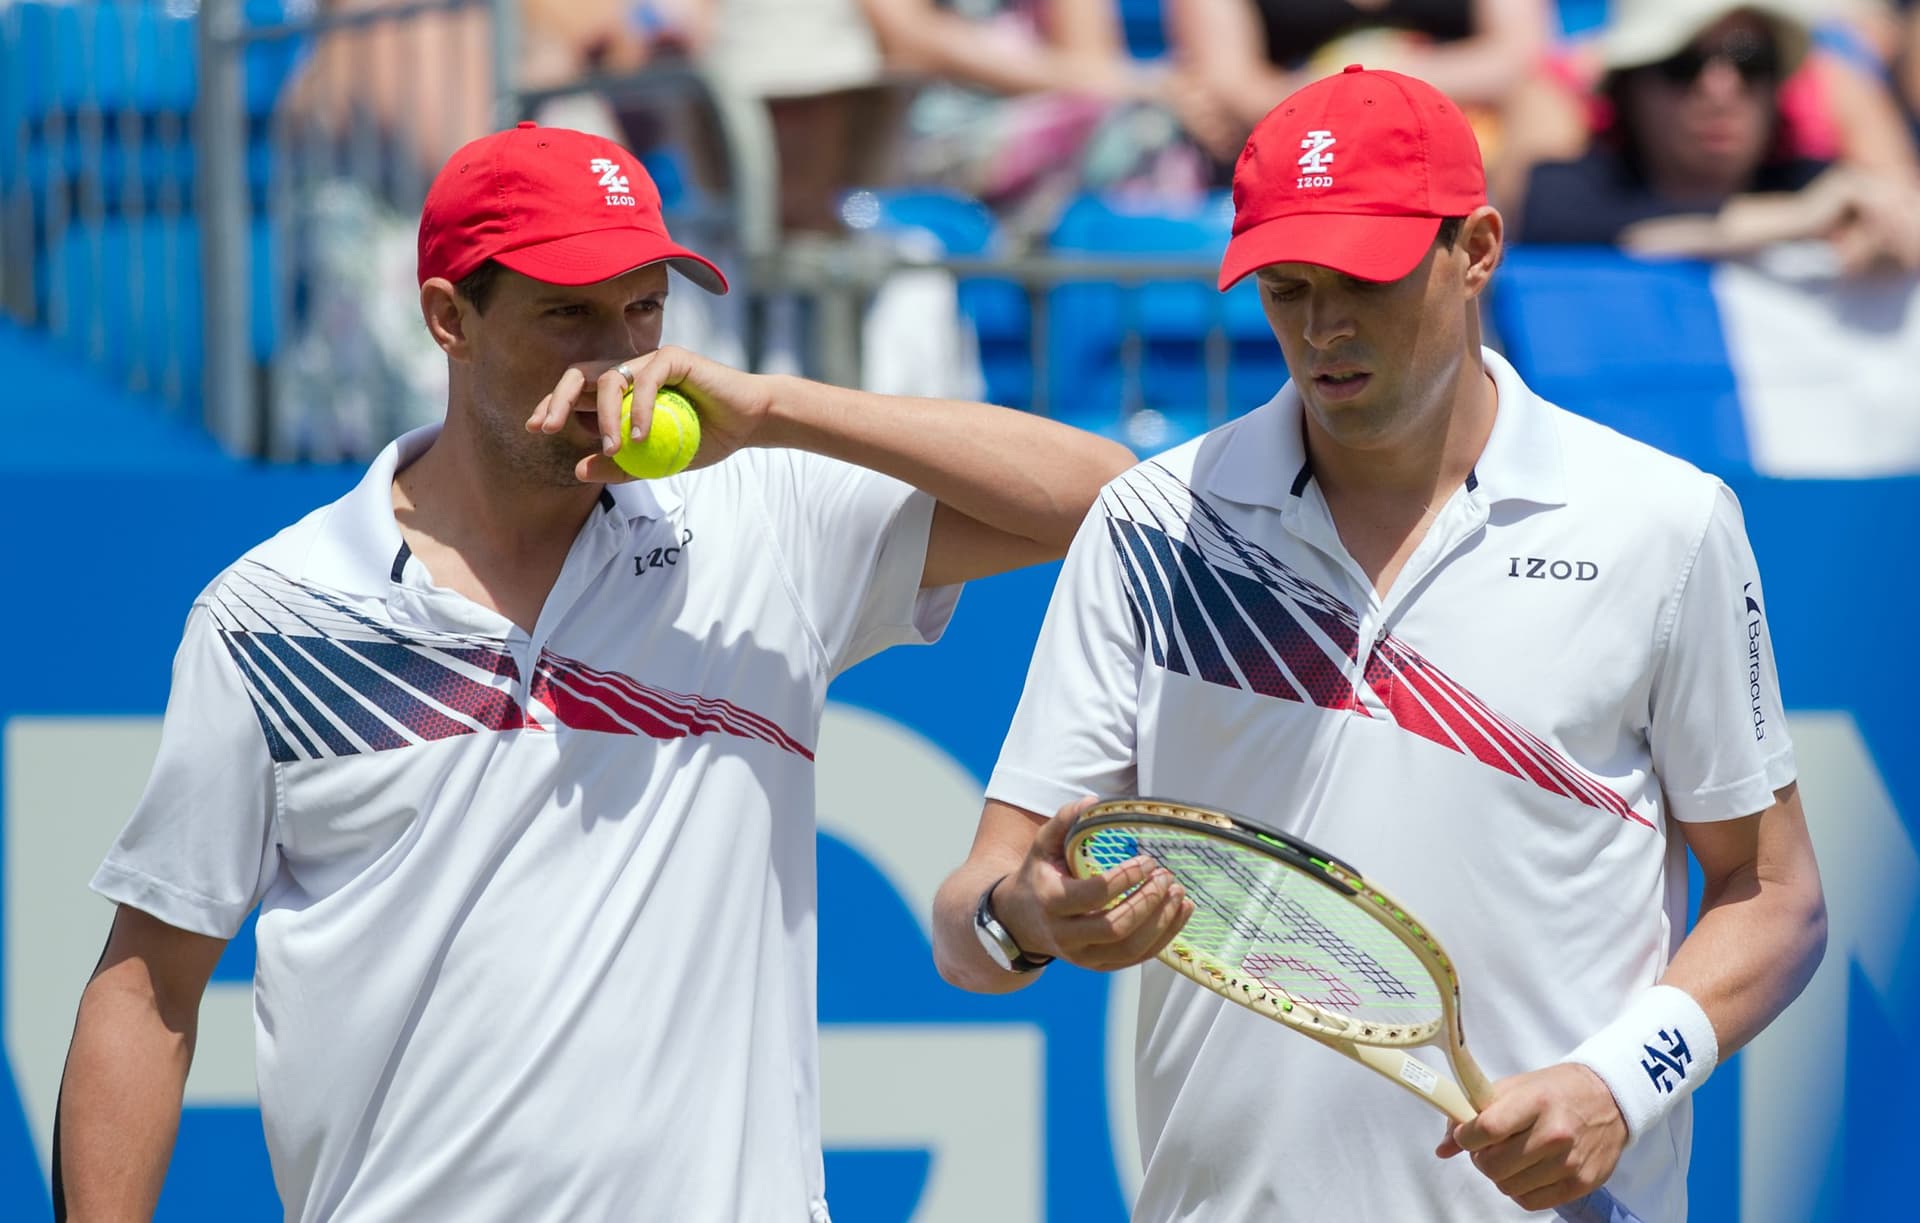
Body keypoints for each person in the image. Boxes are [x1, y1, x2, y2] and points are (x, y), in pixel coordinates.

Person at [54, 122, 1136, 1222]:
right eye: (567, 311)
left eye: (644, 306)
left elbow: (1109, 496)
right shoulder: (273, 612)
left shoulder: (764, 517)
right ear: (447, 317)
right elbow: (148, 986)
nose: (618, 355)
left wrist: (775, 408)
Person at [932, 65, 1827, 1220]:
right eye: (1285, 286)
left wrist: (1620, 1079)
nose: (1322, 327)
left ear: (1478, 248)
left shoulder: (1663, 521)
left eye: (1365, 276)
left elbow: (1775, 892)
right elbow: (970, 921)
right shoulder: (1153, 523)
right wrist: (1029, 917)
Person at [1506, 0, 1920, 266]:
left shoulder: (1822, 181)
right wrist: (1798, 218)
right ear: (1629, 87)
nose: (1721, 91)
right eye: (1684, 64)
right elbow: (1554, 223)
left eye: (1749, 60)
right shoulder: (1575, 187)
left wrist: (1884, 241)